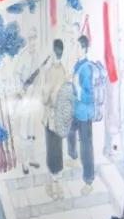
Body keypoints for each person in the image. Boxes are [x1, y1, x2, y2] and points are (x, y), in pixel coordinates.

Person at [41, 39, 69, 200]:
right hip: (60, 117)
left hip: (51, 117)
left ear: (53, 52)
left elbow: (45, 98)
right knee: (58, 148)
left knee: (51, 149)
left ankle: (54, 185)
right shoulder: (63, 71)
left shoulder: (50, 71)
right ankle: (57, 184)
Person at [67, 35, 96, 195]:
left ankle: (89, 181)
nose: (75, 49)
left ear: (84, 49)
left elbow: (88, 96)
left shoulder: (87, 68)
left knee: (86, 146)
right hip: (76, 110)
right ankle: (73, 157)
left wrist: (76, 86)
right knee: (70, 132)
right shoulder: (78, 65)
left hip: (85, 114)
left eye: (78, 47)